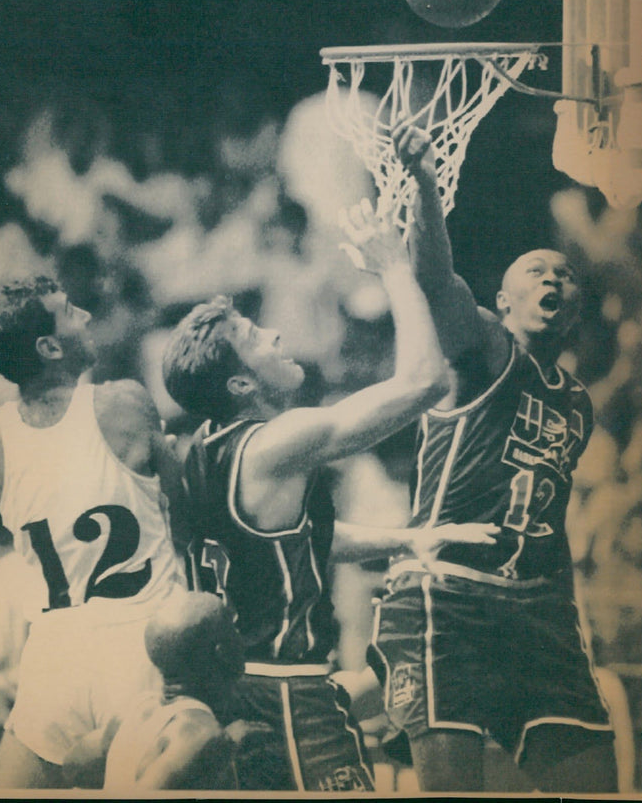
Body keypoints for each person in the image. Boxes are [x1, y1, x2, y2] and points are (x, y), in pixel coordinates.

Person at [161, 202, 500, 792]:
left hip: (227, 690)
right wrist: (394, 268)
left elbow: (289, 541)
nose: (274, 333)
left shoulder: (201, 450)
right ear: (241, 383)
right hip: (286, 693)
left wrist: (407, 539)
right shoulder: (276, 443)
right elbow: (424, 382)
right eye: (252, 335)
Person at [366, 123, 617, 792]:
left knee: (598, 784)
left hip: (538, 612)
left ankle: (358, 710)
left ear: (573, 308)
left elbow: (550, 517)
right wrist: (421, 183)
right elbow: (432, 277)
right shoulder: (482, 350)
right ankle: (359, 711)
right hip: (448, 599)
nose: (553, 277)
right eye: (536, 271)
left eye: (564, 273)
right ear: (504, 301)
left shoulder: (577, 402)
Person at [0, 276, 188, 788]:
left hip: (52, 653)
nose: (86, 316)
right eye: (70, 310)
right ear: (48, 347)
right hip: (144, 645)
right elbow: (188, 513)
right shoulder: (124, 402)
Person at [63, 591, 267, 791]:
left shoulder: (134, 710)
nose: (239, 635)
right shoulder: (203, 735)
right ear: (222, 652)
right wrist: (224, 745)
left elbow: (72, 767)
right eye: (231, 628)